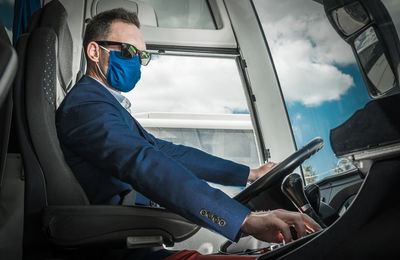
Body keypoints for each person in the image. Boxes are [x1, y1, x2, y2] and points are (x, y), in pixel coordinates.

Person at [55, 8, 321, 260]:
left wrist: (249, 174)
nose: (137, 62)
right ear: (93, 51)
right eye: (128, 51)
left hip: (137, 238)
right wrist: (244, 220)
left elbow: (169, 152)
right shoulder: (86, 106)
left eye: (142, 56)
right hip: (119, 247)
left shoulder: (104, 104)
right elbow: (145, 164)